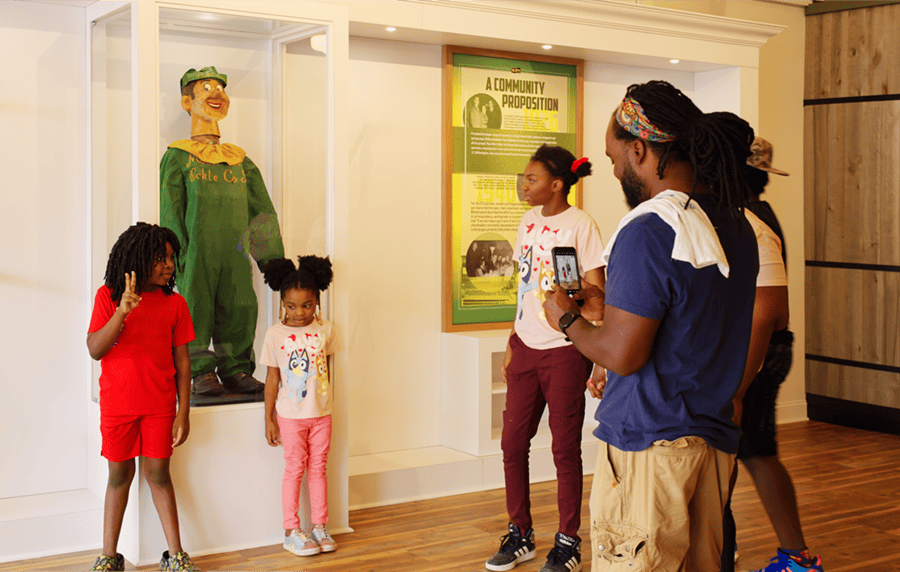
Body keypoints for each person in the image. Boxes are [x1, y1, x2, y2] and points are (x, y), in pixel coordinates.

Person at [543, 80, 759, 572]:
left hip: (650, 447)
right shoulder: (734, 224)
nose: (614, 169)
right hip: (712, 443)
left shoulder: (648, 229)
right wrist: (607, 310)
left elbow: (623, 354)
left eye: (615, 156)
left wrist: (568, 319)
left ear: (640, 149)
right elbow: (688, 325)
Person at [486, 144, 605, 572]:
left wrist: (600, 358)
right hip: (525, 348)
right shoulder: (526, 222)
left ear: (556, 184)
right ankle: (520, 533)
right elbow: (524, 288)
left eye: (532, 178)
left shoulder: (582, 226)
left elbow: (597, 296)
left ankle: (569, 542)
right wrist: (511, 339)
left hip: (565, 352)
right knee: (512, 443)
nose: (524, 184)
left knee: (564, 448)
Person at [160, 66, 285, 397]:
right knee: (194, 308)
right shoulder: (178, 157)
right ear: (187, 102)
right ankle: (199, 372)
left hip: (235, 253)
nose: (215, 93)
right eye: (206, 88)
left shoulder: (240, 161)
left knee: (241, 305)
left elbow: (261, 212)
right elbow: (170, 210)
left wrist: (273, 262)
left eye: (220, 88)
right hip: (195, 254)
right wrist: (173, 256)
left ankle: (237, 369)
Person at [86, 223, 200, 572]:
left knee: (159, 474)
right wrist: (122, 311)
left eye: (171, 258)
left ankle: (176, 555)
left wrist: (184, 412)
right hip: (118, 407)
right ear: (136, 258)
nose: (168, 265)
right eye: (159, 258)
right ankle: (108, 556)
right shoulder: (108, 297)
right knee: (119, 477)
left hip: (159, 407)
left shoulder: (175, 304)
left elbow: (182, 361)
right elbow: (94, 348)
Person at [735, 138, 824, 572]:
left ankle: (797, 557)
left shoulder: (751, 221)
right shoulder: (755, 214)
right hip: (765, 351)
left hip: (759, 353)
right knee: (751, 450)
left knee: (755, 451)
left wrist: (741, 383)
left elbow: (766, 312)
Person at [260, 255, 338, 557]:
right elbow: (271, 379)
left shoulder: (326, 330)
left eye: (306, 305)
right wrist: (268, 418)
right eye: (291, 306)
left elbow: (326, 369)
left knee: (319, 468)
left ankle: (320, 526)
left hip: (321, 415)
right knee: (294, 469)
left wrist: (325, 403)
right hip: (291, 417)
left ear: (317, 301)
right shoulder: (275, 335)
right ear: (282, 304)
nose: (299, 312)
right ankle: (291, 530)